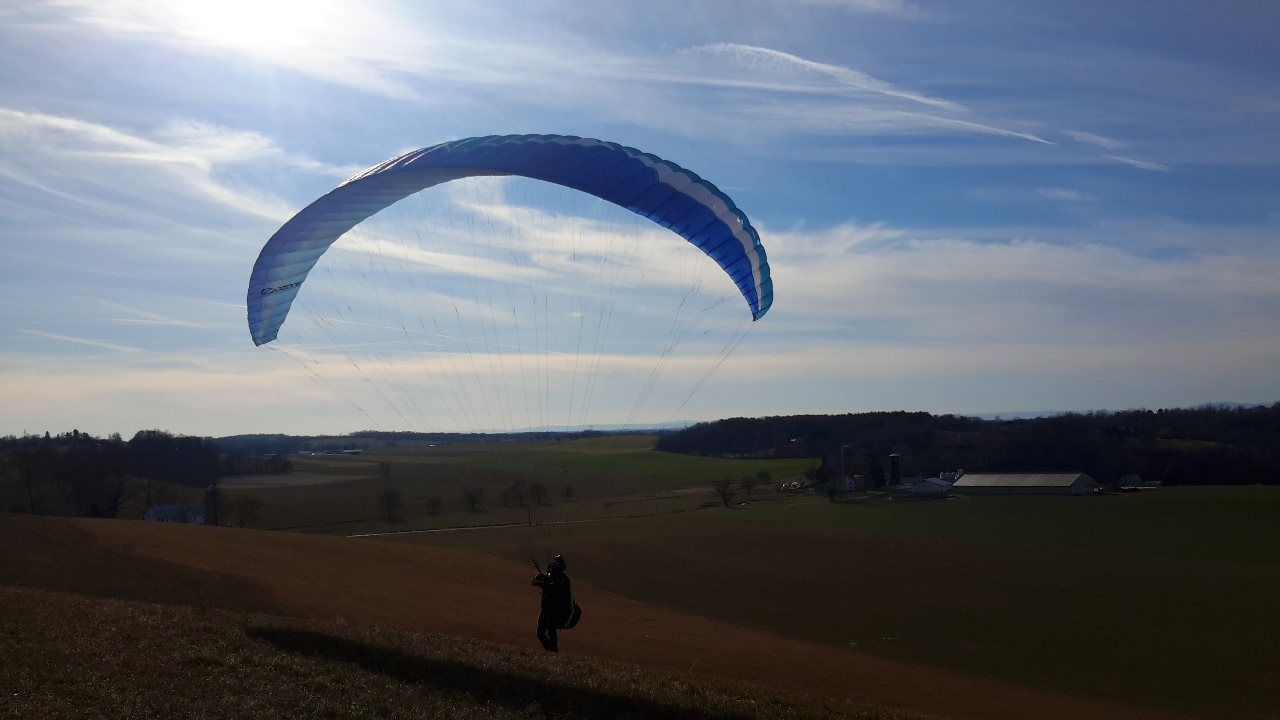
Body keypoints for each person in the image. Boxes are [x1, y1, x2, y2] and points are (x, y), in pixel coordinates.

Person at [532, 554, 572, 652]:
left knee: (551, 630)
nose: (554, 562)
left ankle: (553, 652)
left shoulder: (562, 578)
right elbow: (544, 581)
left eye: (557, 561)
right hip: (546, 607)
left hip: (554, 607)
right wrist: (540, 578)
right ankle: (550, 650)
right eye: (554, 560)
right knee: (540, 632)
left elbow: (552, 588)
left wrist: (538, 583)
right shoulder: (549, 576)